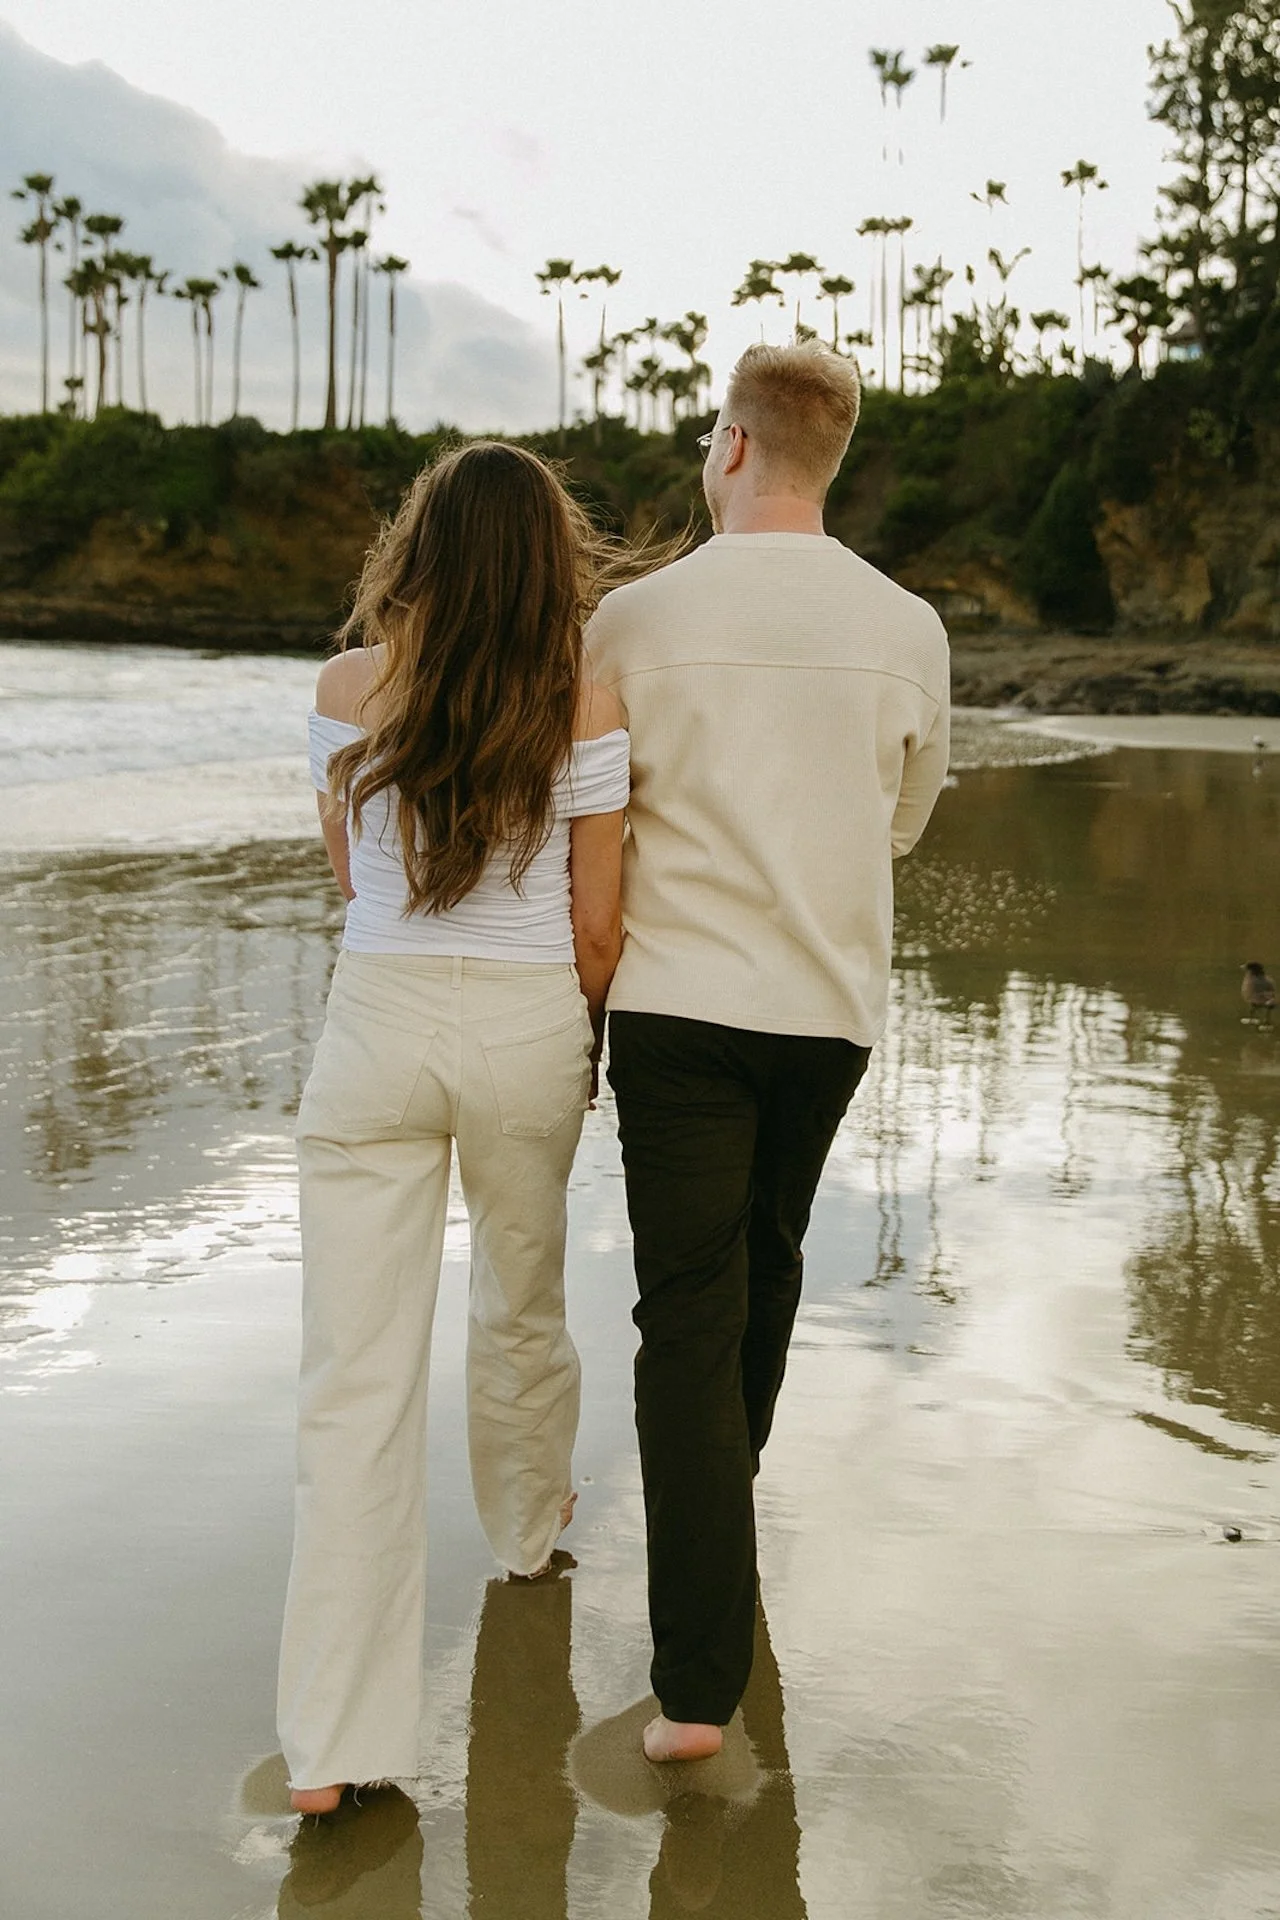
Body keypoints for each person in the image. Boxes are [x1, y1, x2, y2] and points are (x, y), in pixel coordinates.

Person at [586, 342, 950, 1763]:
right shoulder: (908, 626)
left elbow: (591, 815)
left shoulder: (632, 619)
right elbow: (905, 818)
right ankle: (713, 1531)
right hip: (826, 1011)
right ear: (831, 457)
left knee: (686, 1309)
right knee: (768, 1267)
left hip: (678, 1006)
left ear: (732, 447)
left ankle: (694, 1685)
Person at [278, 441, 636, 1814]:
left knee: (351, 1385)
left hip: (374, 1021)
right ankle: (525, 1536)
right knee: (519, 1300)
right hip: (526, 1022)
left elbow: (351, 870)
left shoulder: (347, 689)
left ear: (413, 552)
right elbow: (596, 927)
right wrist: (579, 1035)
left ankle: (332, 1750)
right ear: (552, 562)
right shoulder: (584, 700)